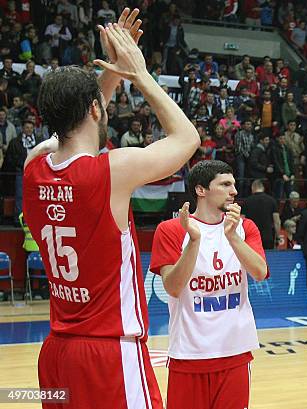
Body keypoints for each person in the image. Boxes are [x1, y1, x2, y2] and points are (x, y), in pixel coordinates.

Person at [22, 10, 199, 408]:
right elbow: (187, 138)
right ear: (95, 110)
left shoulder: (34, 166)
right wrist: (138, 73)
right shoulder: (111, 172)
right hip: (109, 353)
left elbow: (78, 127)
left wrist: (113, 73)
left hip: (56, 354)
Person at [150, 160, 267, 409]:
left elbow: (259, 272)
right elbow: (172, 287)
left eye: (234, 184)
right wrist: (194, 241)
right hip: (188, 355)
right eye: (225, 184)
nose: (234, 191)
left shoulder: (245, 228)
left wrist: (232, 236)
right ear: (201, 190)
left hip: (234, 354)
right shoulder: (171, 230)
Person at [241, 179, 281, 249]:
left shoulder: (246, 201)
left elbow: (241, 220)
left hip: (250, 237)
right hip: (268, 237)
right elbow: (277, 221)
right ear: (263, 188)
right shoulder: (272, 200)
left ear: (252, 188)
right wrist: (278, 236)